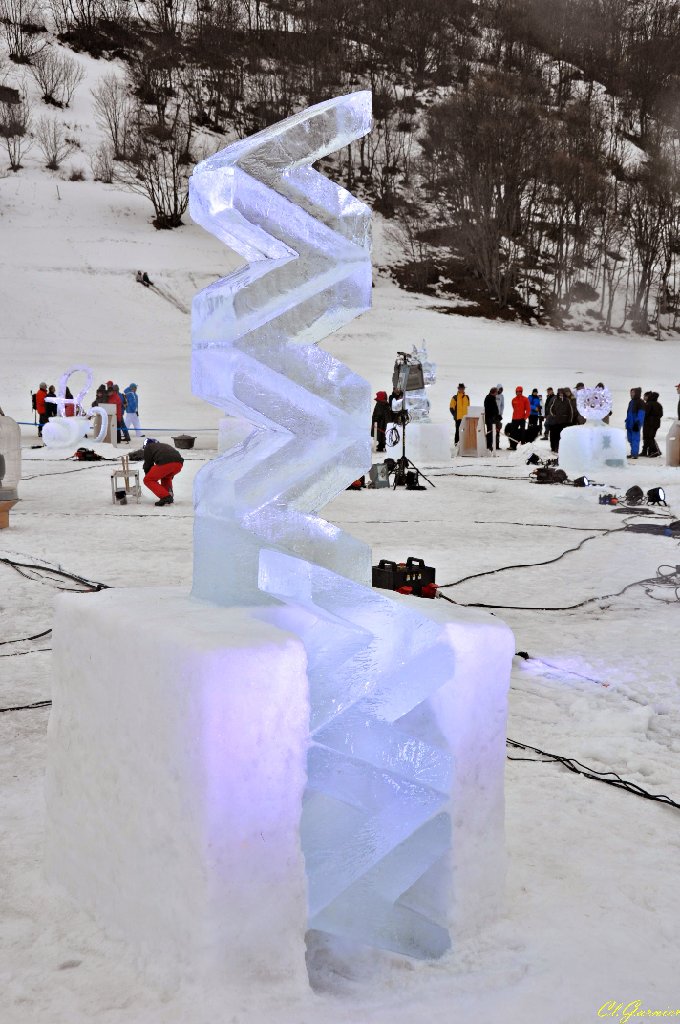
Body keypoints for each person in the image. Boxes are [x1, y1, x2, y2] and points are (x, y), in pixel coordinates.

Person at [142, 438, 184, 506]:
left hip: (166, 463)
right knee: (166, 477)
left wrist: (148, 474)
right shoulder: (164, 445)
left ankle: (165, 497)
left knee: (148, 480)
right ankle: (169, 494)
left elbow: (148, 464)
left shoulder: (148, 447)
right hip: (179, 464)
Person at [548, 387, 574, 453]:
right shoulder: (555, 400)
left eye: (562, 393)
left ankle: (562, 448)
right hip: (556, 421)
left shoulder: (567, 400)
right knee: (556, 435)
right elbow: (551, 409)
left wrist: (569, 420)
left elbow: (570, 411)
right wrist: (554, 415)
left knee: (562, 436)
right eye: (559, 393)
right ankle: (556, 448)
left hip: (564, 422)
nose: (561, 394)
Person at [625, 387, 646, 459]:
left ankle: (635, 454)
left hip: (635, 424)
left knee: (635, 439)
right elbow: (629, 413)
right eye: (631, 392)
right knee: (630, 439)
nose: (631, 394)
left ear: (637, 393)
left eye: (633, 392)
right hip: (629, 423)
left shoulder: (641, 402)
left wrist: (638, 423)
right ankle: (633, 453)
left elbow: (641, 414)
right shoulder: (631, 402)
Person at [641, 392, 663, 457]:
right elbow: (661, 414)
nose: (644, 397)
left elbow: (645, 414)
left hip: (649, 424)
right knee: (650, 437)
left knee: (648, 437)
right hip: (656, 424)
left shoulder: (648, 404)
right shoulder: (659, 404)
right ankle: (650, 452)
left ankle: (655, 451)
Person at [495, 385, 504, 449]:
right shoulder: (494, 394)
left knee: (498, 430)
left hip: (498, 416)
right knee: (492, 429)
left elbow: (502, 406)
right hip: (493, 415)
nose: (500, 391)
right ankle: (491, 444)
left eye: (501, 390)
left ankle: (497, 444)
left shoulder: (502, 396)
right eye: (499, 389)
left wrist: (500, 414)